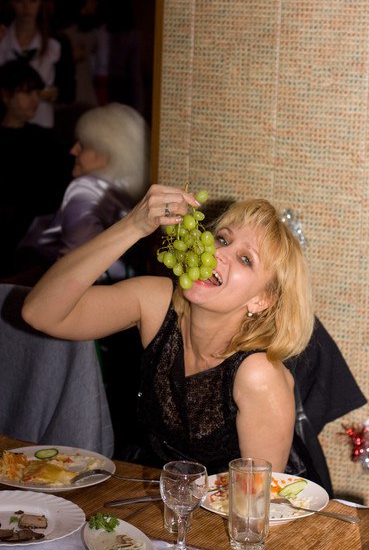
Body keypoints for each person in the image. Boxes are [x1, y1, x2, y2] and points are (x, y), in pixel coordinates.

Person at [22, 186, 315, 473]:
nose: (219, 253)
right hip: (164, 489)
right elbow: (40, 313)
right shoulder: (156, 301)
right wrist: (133, 226)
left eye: (245, 259)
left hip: (243, 502)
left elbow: (258, 497)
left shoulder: (258, 374)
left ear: (261, 300)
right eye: (222, 239)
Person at [16, 102, 150, 283]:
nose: (73, 150)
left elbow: (73, 269)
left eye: (83, 145)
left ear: (108, 153)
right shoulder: (139, 190)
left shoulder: (85, 188)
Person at [0, 59, 71, 279]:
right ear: (6, 95)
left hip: (38, 240)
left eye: (37, 94)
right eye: (26, 93)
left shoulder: (45, 138)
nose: (34, 100)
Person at [0, 0, 75, 128]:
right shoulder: (3, 39)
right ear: (11, 3)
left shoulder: (57, 43)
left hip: (41, 125)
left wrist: (53, 93)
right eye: (19, 0)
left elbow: (69, 92)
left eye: (32, 0)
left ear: (41, 3)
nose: (26, 7)